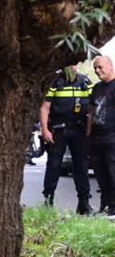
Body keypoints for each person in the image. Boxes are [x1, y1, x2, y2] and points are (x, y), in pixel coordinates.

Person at [40, 66, 92, 214]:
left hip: (79, 130)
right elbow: (44, 107)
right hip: (58, 131)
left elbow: (93, 107)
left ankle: (84, 203)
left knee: (81, 167)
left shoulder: (85, 82)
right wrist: (45, 129)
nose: (72, 67)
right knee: (54, 166)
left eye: (74, 64)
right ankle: (48, 202)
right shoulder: (55, 82)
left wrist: (89, 132)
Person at [88, 55, 115, 215]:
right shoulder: (97, 88)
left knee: (113, 173)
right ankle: (105, 205)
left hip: (111, 137)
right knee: (101, 174)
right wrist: (88, 135)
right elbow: (91, 112)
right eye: (95, 68)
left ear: (110, 66)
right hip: (96, 138)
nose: (98, 71)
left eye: (100, 67)